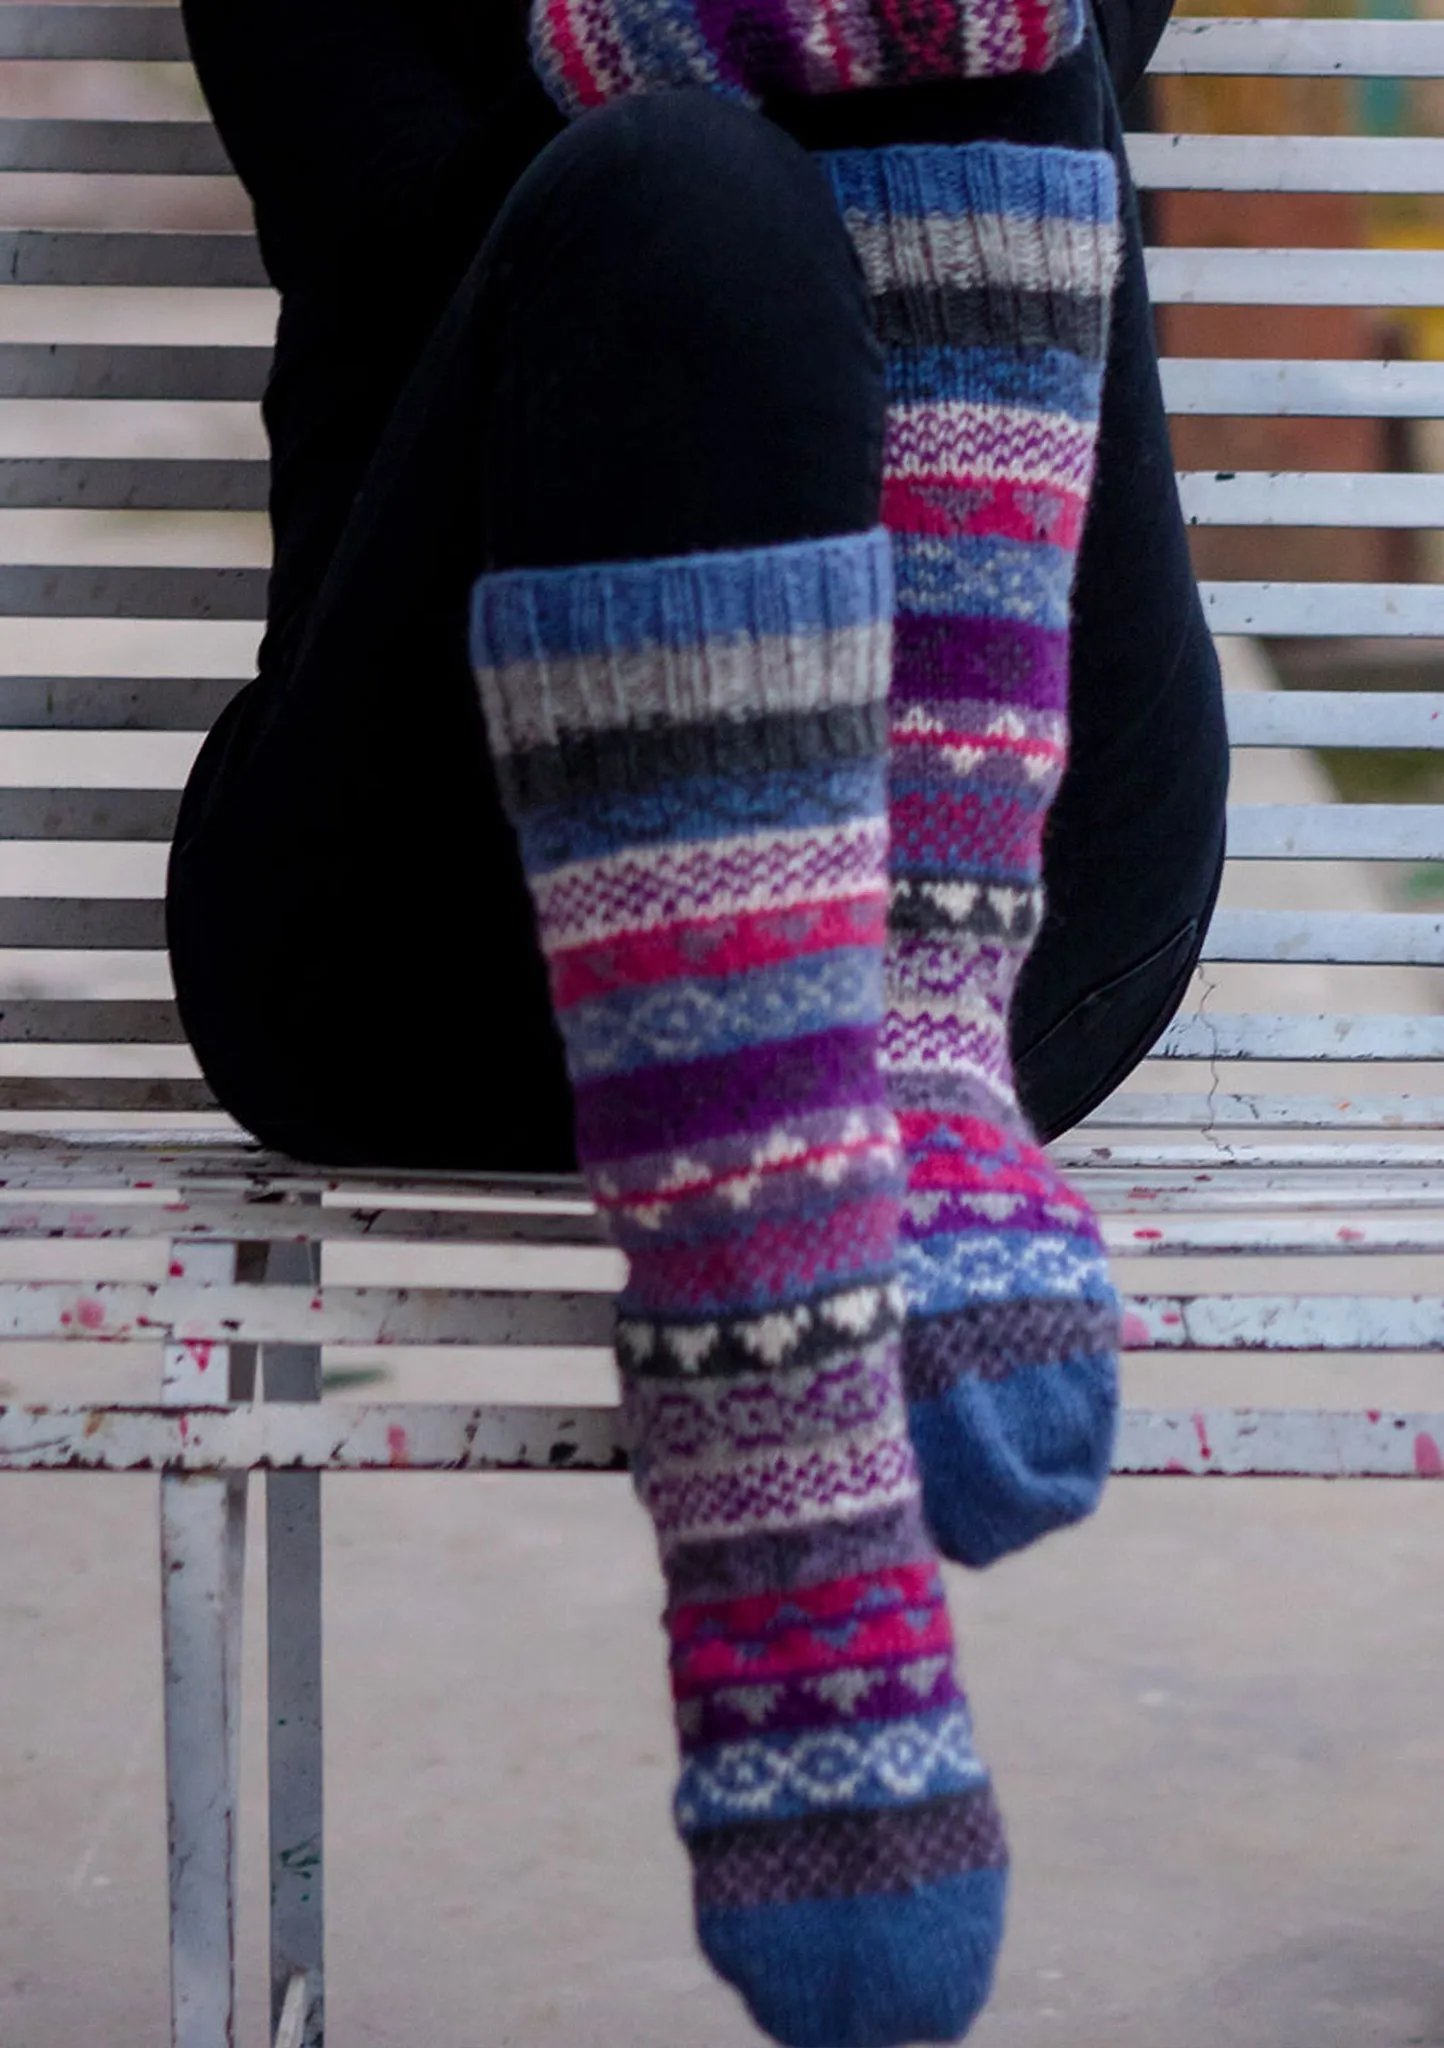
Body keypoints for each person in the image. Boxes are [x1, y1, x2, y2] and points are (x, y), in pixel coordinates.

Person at [169, 2, 1227, 2040]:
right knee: (682, 198)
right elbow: (383, 172)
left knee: (982, 11)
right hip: (432, 920)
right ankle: (777, 1452)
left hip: (1014, 901)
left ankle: (910, 1047)